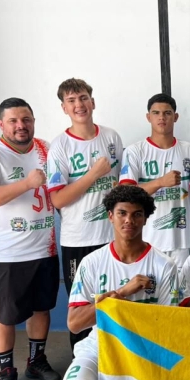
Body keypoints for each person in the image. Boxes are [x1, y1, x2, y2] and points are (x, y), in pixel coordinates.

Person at [57, 185, 177, 380]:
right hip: (101, 344)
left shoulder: (164, 265)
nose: (129, 221)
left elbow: (171, 323)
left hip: (147, 348)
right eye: (122, 213)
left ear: (146, 219)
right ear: (110, 216)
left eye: (137, 214)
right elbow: (75, 322)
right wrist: (121, 293)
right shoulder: (92, 263)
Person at [0, 97, 61, 380]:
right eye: (13, 121)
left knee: (41, 308)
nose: (21, 126)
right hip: (6, 252)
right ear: (1, 124)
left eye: (26, 119)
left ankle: (35, 362)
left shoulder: (46, 149)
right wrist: (27, 183)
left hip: (43, 247)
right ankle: (6, 373)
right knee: (5, 316)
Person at [46, 78, 123, 349]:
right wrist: (93, 174)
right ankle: (82, 366)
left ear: (93, 102)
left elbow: (119, 188)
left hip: (113, 238)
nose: (79, 104)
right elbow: (58, 198)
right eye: (71, 100)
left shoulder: (111, 137)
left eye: (82, 98)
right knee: (83, 309)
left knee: (115, 301)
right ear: (64, 108)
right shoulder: (60, 146)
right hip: (78, 240)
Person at [119, 93, 190, 271]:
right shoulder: (135, 151)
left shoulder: (189, 150)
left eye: (167, 113)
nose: (162, 117)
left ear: (175, 117)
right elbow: (125, 194)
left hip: (181, 240)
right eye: (156, 113)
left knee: (180, 297)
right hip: (147, 239)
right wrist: (160, 182)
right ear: (148, 117)